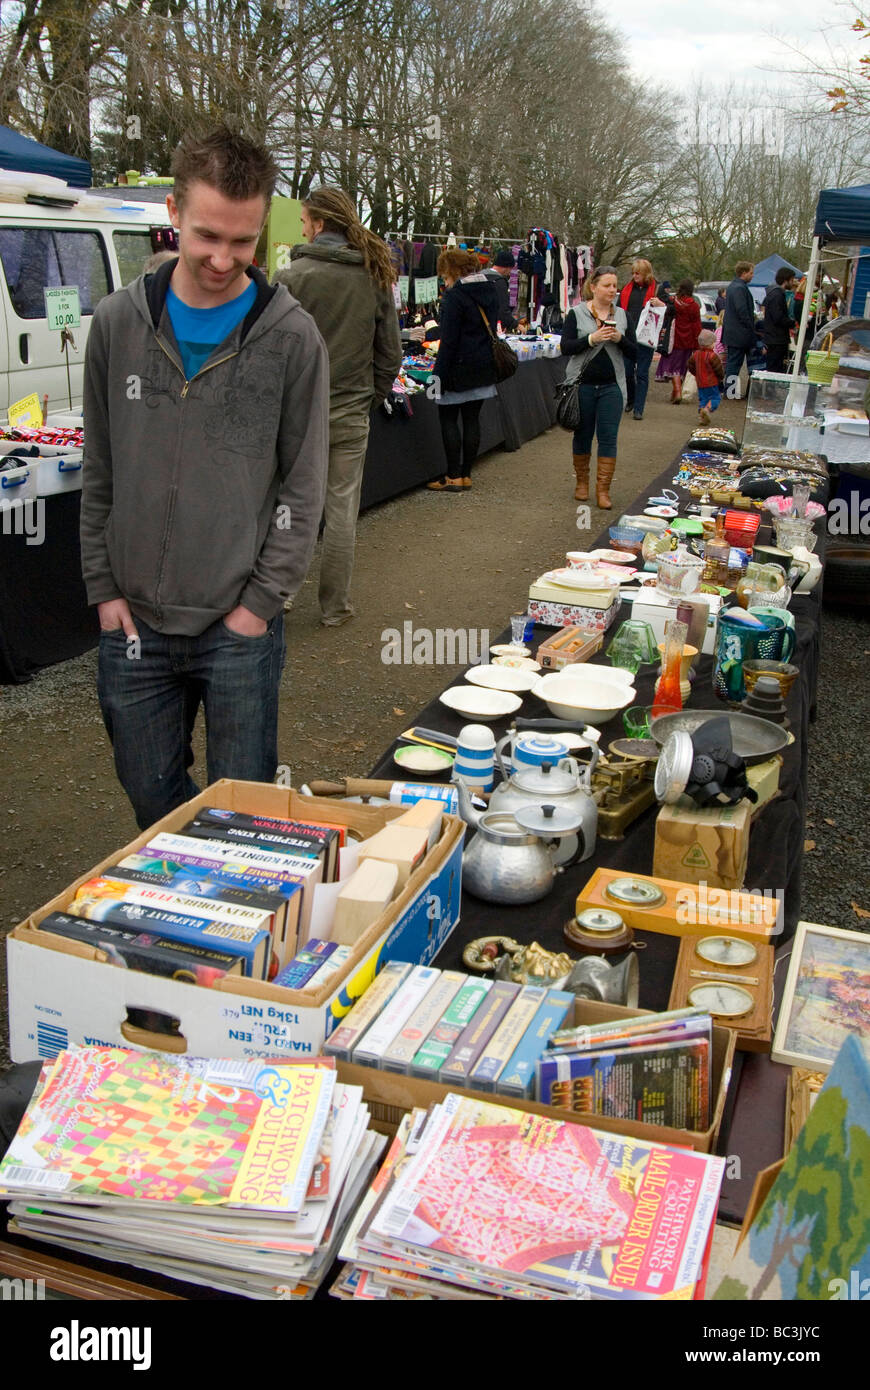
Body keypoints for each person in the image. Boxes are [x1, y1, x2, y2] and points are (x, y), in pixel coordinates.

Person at [80, 126, 330, 830]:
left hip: (237, 628)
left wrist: (259, 605)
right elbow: (99, 469)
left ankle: (231, 927)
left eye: (244, 242)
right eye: (207, 236)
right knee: (151, 801)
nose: (223, 259)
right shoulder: (118, 322)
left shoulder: (290, 337)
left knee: (239, 819)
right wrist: (103, 589)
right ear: (172, 213)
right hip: (134, 624)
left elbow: (304, 485)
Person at [273, 186, 402, 626]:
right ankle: (334, 608)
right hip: (349, 410)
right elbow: (390, 354)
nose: (302, 227)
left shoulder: (290, 278)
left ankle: (280, 594)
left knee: (289, 506)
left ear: (320, 223)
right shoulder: (373, 274)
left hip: (295, 414)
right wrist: (371, 398)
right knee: (341, 510)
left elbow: (269, 353)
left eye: (305, 220)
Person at [560, 265, 638, 509]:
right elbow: (566, 348)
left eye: (615, 286)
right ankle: (581, 483)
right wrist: (591, 339)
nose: (612, 290)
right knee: (582, 434)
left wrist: (619, 339)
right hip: (582, 385)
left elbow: (635, 353)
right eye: (607, 285)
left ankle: (603, 490)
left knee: (608, 437)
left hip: (612, 386)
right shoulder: (576, 313)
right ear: (593, 287)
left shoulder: (623, 316)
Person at [426, 248, 501, 492]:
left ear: (452, 271)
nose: (443, 280)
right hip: (483, 365)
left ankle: (453, 475)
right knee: (471, 420)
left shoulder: (454, 297)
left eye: (445, 274)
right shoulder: (490, 289)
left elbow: (449, 342)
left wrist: (437, 376)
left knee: (448, 418)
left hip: (457, 368)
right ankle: (467, 475)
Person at [617, 258, 664, 420]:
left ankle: (639, 408)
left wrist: (660, 303)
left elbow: (670, 309)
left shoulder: (657, 289)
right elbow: (618, 309)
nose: (634, 276)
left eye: (638, 273)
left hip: (646, 336)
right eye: (633, 273)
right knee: (628, 372)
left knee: (642, 373)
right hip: (628, 335)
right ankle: (631, 399)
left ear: (645, 273)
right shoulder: (626, 289)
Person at [655, 279, 701, 403]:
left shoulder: (674, 302)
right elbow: (697, 325)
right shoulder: (694, 306)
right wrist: (697, 341)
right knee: (682, 366)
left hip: (674, 338)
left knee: (673, 366)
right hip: (689, 340)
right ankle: (675, 392)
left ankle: (677, 391)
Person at [722, 261, 757, 397]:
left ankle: (730, 391)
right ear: (744, 273)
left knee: (733, 363)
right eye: (751, 272)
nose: (752, 276)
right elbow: (742, 310)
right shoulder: (739, 288)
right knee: (734, 364)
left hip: (733, 332)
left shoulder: (733, 287)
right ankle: (730, 392)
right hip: (739, 334)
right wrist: (750, 326)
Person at [761, 266, 797, 374]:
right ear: (785, 280)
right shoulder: (777, 295)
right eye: (791, 280)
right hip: (776, 339)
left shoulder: (774, 294)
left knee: (774, 367)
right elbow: (778, 317)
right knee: (775, 369)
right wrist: (792, 323)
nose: (793, 282)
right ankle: (771, 390)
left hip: (774, 338)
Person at [687, 329, 725, 425]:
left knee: (703, 399)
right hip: (711, 382)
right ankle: (707, 409)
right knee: (715, 398)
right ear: (711, 344)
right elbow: (718, 369)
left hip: (700, 382)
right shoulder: (713, 356)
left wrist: (696, 373)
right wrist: (721, 377)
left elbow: (689, 365)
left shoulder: (696, 354)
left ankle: (702, 416)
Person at [483, 249, 518, 332]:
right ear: (506, 267)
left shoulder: (480, 275)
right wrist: (515, 325)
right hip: (491, 327)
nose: (509, 273)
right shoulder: (499, 282)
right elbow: (502, 309)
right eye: (510, 269)